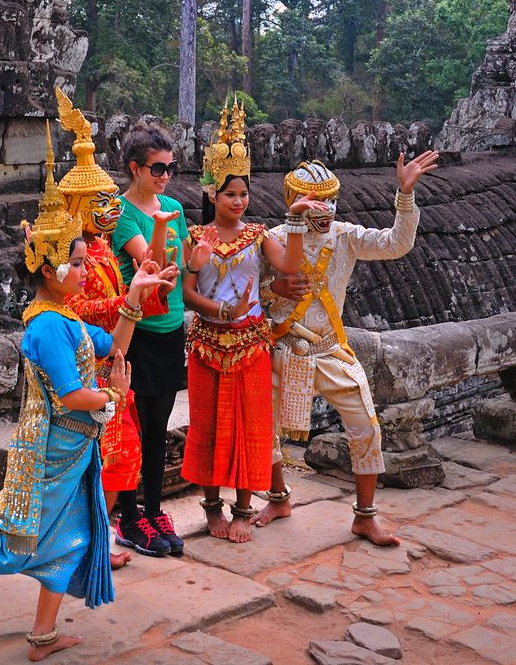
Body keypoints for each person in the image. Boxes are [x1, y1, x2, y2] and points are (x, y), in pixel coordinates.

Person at [0, 123, 174, 661]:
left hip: (75, 451)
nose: (83, 269)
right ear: (48, 269)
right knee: (9, 553)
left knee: (68, 543)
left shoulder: (67, 317)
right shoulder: (47, 326)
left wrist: (135, 299)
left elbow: (111, 344)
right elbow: (74, 396)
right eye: (74, 263)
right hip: (49, 449)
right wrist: (114, 396)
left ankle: (44, 634)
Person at [256, 152, 439, 546]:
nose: (324, 211)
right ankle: (278, 497)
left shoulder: (345, 236)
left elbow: (396, 244)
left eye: (330, 201)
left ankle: (365, 515)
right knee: (266, 427)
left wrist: (404, 195)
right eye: (315, 201)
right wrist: (275, 289)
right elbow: (249, 295)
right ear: (293, 200)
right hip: (285, 350)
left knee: (366, 427)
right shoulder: (271, 240)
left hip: (331, 350)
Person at [181, 98, 328, 543]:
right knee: (206, 426)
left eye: (244, 194)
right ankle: (212, 507)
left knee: (251, 427)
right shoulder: (195, 237)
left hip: (250, 344)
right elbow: (188, 295)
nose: (239, 202)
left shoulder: (259, 235)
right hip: (207, 342)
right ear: (212, 194)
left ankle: (243, 508)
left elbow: (290, 270)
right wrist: (219, 308)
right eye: (230, 194)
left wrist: (296, 222)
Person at [54, 88, 178, 563]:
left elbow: (139, 301)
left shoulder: (101, 251)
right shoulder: (71, 256)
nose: (109, 208)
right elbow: (77, 312)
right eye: (100, 201)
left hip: (111, 362)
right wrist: (129, 298)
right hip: (80, 370)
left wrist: (141, 294)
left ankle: (101, 534)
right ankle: (90, 536)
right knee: (93, 458)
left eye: (109, 199)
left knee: (121, 453)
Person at [111, 120, 209, 556]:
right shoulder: (123, 213)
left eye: (170, 167)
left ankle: (154, 510)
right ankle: (129, 516)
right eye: (157, 168)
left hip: (170, 330)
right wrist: (165, 235)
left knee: (156, 429)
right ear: (135, 168)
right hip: (138, 334)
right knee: (130, 429)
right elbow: (147, 265)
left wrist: (197, 262)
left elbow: (184, 267)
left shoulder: (173, 207)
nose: (165, 176)